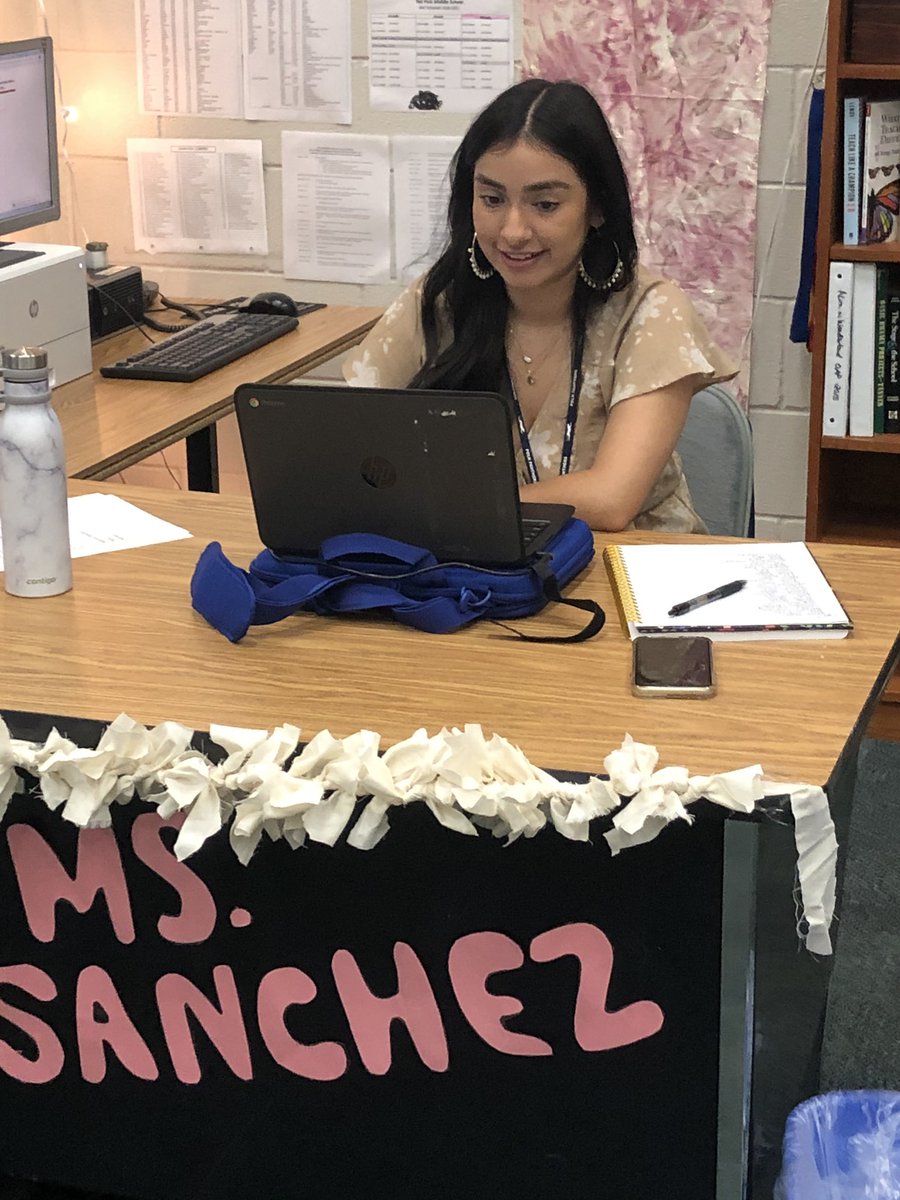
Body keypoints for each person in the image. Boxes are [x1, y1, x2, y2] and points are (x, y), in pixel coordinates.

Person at [342, 78, 738, 532]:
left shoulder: (649, 312)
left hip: (634, 579)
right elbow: (348, 444)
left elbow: (611, 501)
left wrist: (447, 504)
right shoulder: (439, 303)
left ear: (597, 207)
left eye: (544, 204)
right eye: (492, 199)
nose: (512, 231)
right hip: (484, 577)